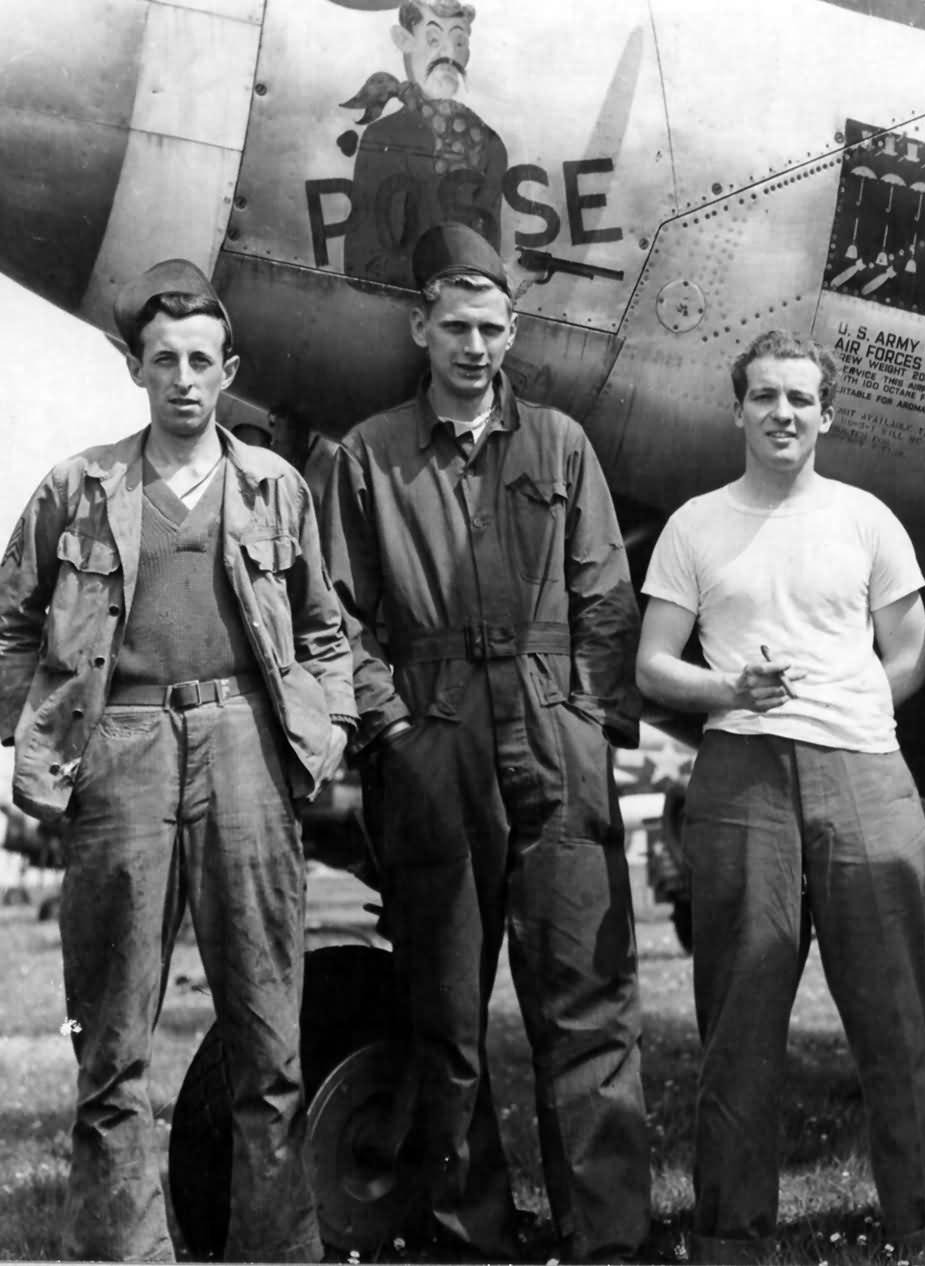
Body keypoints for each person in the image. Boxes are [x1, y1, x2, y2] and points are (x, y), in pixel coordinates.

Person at [0, 259, 356, 1261]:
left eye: (201, 359)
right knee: (112, 1048)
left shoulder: (274, 487)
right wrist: (50, 740)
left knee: (269, 1043)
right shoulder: (81, 486)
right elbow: (5, 624)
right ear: (136, 371)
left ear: (229, 370)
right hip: (123, 751)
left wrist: (328, 732)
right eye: (163, 360)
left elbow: (324, 633)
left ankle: (273, 1252)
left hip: (244, 749)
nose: (183, 377)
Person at [322, 222, 649, 1262]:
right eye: (454, 326)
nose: (472, 346)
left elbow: (607, 596)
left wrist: (587, 723)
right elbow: (335, 617)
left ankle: (607, 1236)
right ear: (421, 328)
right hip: (435, 732)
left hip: (553, 731)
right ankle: (473, 1234)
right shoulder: (369, 455)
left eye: (490, 328)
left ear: (513, 333)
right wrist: (397, 732)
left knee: (585, 996)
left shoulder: (559, 444)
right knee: (446, 1007)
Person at [637, 329, 925, 1264]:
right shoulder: (697, 525)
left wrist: (866, 699)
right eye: (766, 396)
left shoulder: (866, 519)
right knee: (739, 1024)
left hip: (864, 772)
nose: (784, 413)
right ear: (738, 408)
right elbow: (656, 664)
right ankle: (732, 1240)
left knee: (894, 1014)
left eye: (801, 400)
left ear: (829, 414)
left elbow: (911, 650)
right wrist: (726, 693)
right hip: (742, 779)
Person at [340, 0, 509, 288]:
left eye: (459, 40)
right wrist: (445, 282)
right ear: (404, 41)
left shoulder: (489, 144)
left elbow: (488, 260)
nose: (448, 54)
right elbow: (364, 262)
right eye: (433, 39)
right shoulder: (385, 137)